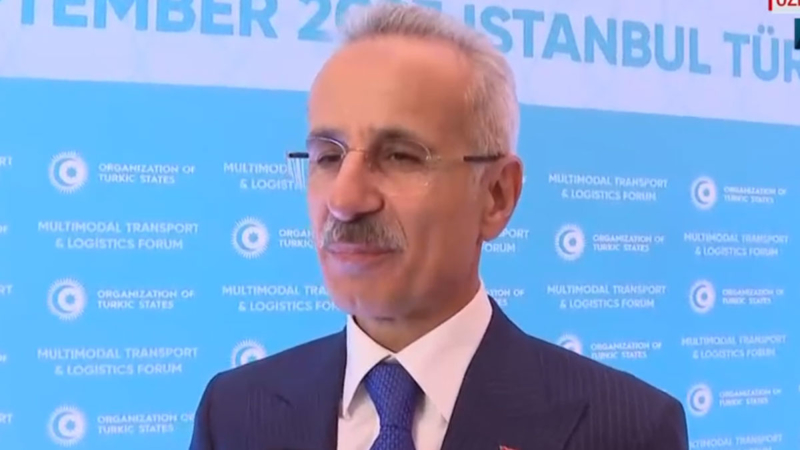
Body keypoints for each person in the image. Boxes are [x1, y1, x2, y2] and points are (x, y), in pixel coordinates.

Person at [189, 3, 689, 449]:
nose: (344, 200)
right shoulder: (232, 413)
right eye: (327, 157)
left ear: (496, 195)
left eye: (400, 156)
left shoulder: (626, 430)